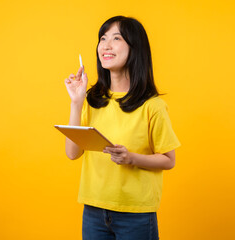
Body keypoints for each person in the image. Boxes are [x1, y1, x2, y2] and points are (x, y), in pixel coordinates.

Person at [64, 16, 181, 240]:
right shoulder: (92, 99)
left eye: (116, 38)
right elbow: (72, 153)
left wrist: (131, 158)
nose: (105, 45)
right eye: (103, 38)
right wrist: (76, 102)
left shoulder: (152, 106)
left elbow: (169, 159)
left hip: (135, 214)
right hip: (94, 210)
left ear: (135, 48)